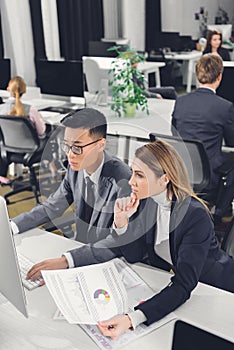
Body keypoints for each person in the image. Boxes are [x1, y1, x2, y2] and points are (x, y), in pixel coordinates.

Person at [25, 140, 234, 339]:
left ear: (165, 178)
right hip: (177, 284)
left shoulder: (193, 215)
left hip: (216, 289)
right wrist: (122, 223)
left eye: (140, 175)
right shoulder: (146, 201)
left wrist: (132, 318)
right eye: (132, 172)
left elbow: (184, 285)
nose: (131, 181)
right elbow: (133, 255)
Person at [11, 107, 131, 243]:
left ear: (100, 145)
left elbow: (120, 240)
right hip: (79, 246)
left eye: (77, 147)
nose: (70, 155)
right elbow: (52, 206)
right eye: (66, 146)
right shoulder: (75, 169)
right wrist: (12, 226)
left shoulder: (123, 179)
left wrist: (69, 259)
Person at [171, 54, 234, 225]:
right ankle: (219, 214)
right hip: (209, 179)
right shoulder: (225, 107)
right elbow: (231, 142)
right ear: (219, 76)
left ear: (197, 74)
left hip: (181, 174)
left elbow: (175, 134)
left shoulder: (180, 102)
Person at [0, 76, 57, 184]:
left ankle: (53, 169)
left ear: (8, 89)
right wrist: (40, 118)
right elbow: (41, 132)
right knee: (52, 135)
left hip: (9, 150)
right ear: (24, 91)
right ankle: (55, 170)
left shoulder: (0, 109)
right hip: (31, 150)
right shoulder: (30, 109)